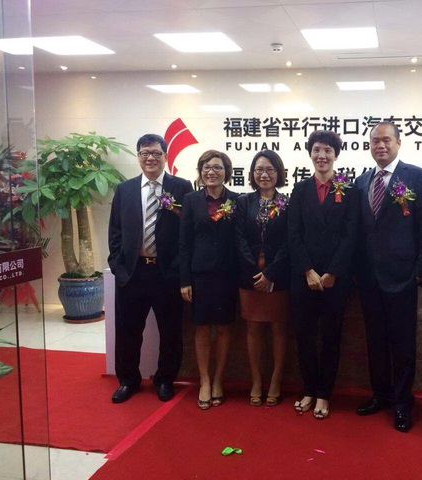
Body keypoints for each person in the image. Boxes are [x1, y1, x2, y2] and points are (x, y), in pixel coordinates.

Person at [355, 122, 422, 432]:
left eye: (386, 140)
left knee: (403, 344)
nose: (380, 145)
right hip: (369, 278)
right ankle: (381, 394)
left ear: (398, 143)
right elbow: (358, 232)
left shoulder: (416, 176)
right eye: (375, 141)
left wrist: (421, 272)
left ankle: (403, 403)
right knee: (375, 341)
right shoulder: (362, 182)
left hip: (404, 277)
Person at [108, 133, 193, 403]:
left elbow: (187, 231)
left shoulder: (181, 187)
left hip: (167, 272)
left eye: (156, 153)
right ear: (138, 157)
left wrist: (179, 270)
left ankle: (165, 379)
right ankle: (128, 380)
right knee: (128, 331)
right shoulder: (125, 189)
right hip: (133, 272)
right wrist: (118, 266)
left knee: (171, 331)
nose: (151, 158)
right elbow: (115, 231)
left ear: (165, 156)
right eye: (145, 153)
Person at [288, 130, 359, 420]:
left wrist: (332, 272)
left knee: (331, 338)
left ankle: (324, 394)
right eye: (317, 149)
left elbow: (351, 236)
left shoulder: (349, 190)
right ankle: (308, 390)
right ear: (310, 154)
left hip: (335, 280)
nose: (322, 155)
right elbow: (293, 233)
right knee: (304, 337)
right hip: (303, 278)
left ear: (336, 155)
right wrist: (308, 270)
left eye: (328, 150)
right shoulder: (300, 189)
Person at [179, 150, 239, 410]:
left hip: (228, 275)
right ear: (200, 171)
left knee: (224, 328)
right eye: (206, 167)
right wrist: (184, 280)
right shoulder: (191, 200)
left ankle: (218, 380)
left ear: (227, 172)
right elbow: (184, 243)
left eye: (217, 167)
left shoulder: (237, 200)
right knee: (202, 328)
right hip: (199, 275)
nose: (211, 172)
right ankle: (204, 380)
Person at [235, 150, 291, 407]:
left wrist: (271, 273)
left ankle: (276, 380)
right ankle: (257, 380)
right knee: (253, 328)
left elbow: (289, 241)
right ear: (252, 173)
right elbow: (239, 239)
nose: (264, 174)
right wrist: (255, 272)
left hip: (278, 277)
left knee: (279, 328)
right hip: (250, 277)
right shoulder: (243, 202)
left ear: (278, 173)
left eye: (270, 169)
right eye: (259, 169)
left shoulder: (287, 202)